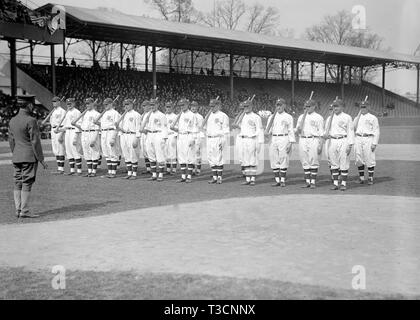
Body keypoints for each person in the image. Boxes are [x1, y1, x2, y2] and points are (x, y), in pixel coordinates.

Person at [8, 95, 47, 218]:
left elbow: (11, 141)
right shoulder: (31, 120)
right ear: (29, 105)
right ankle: (24, 211)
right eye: (32, 105)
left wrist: (16, 153)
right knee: (27, 182)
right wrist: (41, 159)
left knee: (17, 182)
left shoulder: (12, 120)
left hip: (17, 156)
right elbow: (35, 142)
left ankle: (18, 210)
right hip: (29, 156)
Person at [323, 98, 354, 191]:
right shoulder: (329, 118)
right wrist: (325, 135)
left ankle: (343, 183)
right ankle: (336, 183)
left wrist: (350, 145)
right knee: (333, 162)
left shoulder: (347, 117)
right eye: (334, 106)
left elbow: (350, 131)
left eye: (337, 106)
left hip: (343, 140)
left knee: (344, 162)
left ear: (342, 107)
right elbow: (325, 131)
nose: (335, 108)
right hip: (332, 140)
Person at [265, 98, 295, 187]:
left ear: (284, 105)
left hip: (284, 138)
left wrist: (291, 142)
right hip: (273, 138)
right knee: (274, 159)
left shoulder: (288, 117)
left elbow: (291, 130)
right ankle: (277, 180)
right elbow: (268, 129)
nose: (279, 107)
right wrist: (266, 133)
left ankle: (283, 180)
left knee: (283, 158)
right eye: (277, 105)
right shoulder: (271, 117)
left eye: (280, 105)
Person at [295, 99, 324, 189]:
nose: (307, 108)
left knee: (314, 159)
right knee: (304, 160)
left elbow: (321, 132)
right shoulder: (301, 117)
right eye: (306, 106)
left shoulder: (319, 117)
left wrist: (320, 144)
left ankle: (313, 182)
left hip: (313, 139)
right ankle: (308, 181)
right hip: (303, 139)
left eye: (309, 106)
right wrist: (299, 129)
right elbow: (297, 131)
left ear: (314, 106)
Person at [235, 99, 264, 186]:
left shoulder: (256, 117)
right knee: (245, 160)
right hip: (243, 139)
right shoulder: (242, 117)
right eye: (244, 107)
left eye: (247, 106)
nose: (246, 108)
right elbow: (236, 125)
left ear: (251, 106)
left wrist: (260, 143)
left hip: (252, 139)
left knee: (252, 159)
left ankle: (253, 179)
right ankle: (248, 179)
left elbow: (260, 130)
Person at [353, 100, 380, 185]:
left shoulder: (373, 117)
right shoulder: (357, 117)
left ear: (368, 107)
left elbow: (377, 131)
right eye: (361, 107)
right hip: (358, 138)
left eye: (364, 107)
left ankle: (370, 178)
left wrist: (374, 143)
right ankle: (361, 178)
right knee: (358, 158)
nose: (363, 108)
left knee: (369, 158)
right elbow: (352, 128)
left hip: (368, 138)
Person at [73, 98, 101, 177]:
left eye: (89, 103)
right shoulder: (84, 114)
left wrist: (94, 139)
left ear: (93, 103)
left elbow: (97, 127)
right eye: (86, 104)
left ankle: (94, 171)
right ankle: (89, 171)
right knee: (86, 153)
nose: (87, 105)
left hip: (92, 132)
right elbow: (82, 127)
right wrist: (75, 124)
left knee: (94, 152)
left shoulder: (96, 114)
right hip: (84, 133)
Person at [141, 98, 168, 181]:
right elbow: (145, 127)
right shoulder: (147, 115)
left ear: (157, 105)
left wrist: (163, 138)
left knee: (160, 155)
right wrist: (144, 130)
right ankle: (153, 174)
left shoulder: (161, 115)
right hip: (149, 134)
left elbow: (164, 127)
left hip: (158, 134)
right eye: (151, 105)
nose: (152, 106)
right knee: (150, 155)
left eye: (153, 104)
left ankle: (160, 175)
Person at [204, 98, 230, 184]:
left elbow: (226, 130)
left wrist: (223, 141)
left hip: (218, 138)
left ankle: (219, 177)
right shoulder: (208, 115)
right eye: (210, 106)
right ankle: (214, 177)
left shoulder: (223, 116)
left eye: (213, 106)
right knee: (211, 158)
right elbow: (205, 128)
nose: (211, 107)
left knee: (219, 158)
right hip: (209, 138)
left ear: (218, 106)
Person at [170, 98, 196, 183]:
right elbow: (181, 129)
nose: (182, 106)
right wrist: (174, 128)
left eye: (183, 105)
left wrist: (192, 139)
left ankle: (189, 176)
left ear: (187, 105)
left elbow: (194, 128)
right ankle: (183, 176)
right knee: (181, 157)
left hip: (188, 136)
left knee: (189, 156)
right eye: (180, 105)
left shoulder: (192, 115)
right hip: (180, 136)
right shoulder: (180, 115)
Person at [95, 98, 121, 178]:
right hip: (104, 132)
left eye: (107, 104)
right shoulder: (104, 113)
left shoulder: (115, 113)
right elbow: (103, 124)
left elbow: (116, 126)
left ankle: (113, 172)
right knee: (106, 153)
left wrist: (113, 137)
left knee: (112, 152)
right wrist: (98, 123)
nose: (105, 106)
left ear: (111, 104)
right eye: (104, 104)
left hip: (111, 132)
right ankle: (109, 171)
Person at [56, 98, 82, 175]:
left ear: (74, 103)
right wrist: (59, 130)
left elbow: (79, 124)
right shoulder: (67, 112)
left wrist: (76, 137)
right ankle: (72, 170)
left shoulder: (77, 112)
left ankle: (79, 171)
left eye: (70, 103)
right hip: (67, 131)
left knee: (75, 150)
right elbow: (66, 125)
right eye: (68, 104)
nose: (69, 105)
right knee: (68, 151)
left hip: (74, 131)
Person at [117, 99, 142, 180]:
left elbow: (138, 127)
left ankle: (134, 174)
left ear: (131, 104)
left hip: (132, 135)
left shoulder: (136, 115)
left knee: (133, 154)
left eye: (127, 104)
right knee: (126, 155)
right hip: (124, 135)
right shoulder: (123, 115)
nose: (126, 106)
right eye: (124, 105)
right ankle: (129, 173)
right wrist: (117, 126)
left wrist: (137, 138)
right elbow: (120, 128)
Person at [43, 96, 66, 174]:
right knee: (55, 150)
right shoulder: (53, 111)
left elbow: (64, 123)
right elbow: (52, 122)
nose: (54, 103)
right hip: (53, 130)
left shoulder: (62, 111)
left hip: (59, 130)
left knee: (60, 150)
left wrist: (61, 135)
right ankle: (58, 168)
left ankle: (61, 169)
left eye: (55, 101)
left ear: (59, 102)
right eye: (53, 101)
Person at [190, 101, 204, 175]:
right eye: (192, 106)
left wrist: (201, 137)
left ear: (197, 107)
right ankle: (191, 169)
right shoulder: (188, 116)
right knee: (191, 153)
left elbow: (202, 128)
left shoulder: (200, 117)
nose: (193, 108)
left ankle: (198, 169)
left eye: (195, 106)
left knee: (197, 153)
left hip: (198, 135)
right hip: (190, 135)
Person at [164, 102, 178, 175]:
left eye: (169, 107)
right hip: (165, 136)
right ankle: (168, 169)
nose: (168, 108)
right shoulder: (164, 116)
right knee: (166, 153)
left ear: (172, 108)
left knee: (172, 153)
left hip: (172, 135)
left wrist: (175, 136)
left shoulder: (175, 116)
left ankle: (174, 169)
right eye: (167, 107)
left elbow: (178, 127)